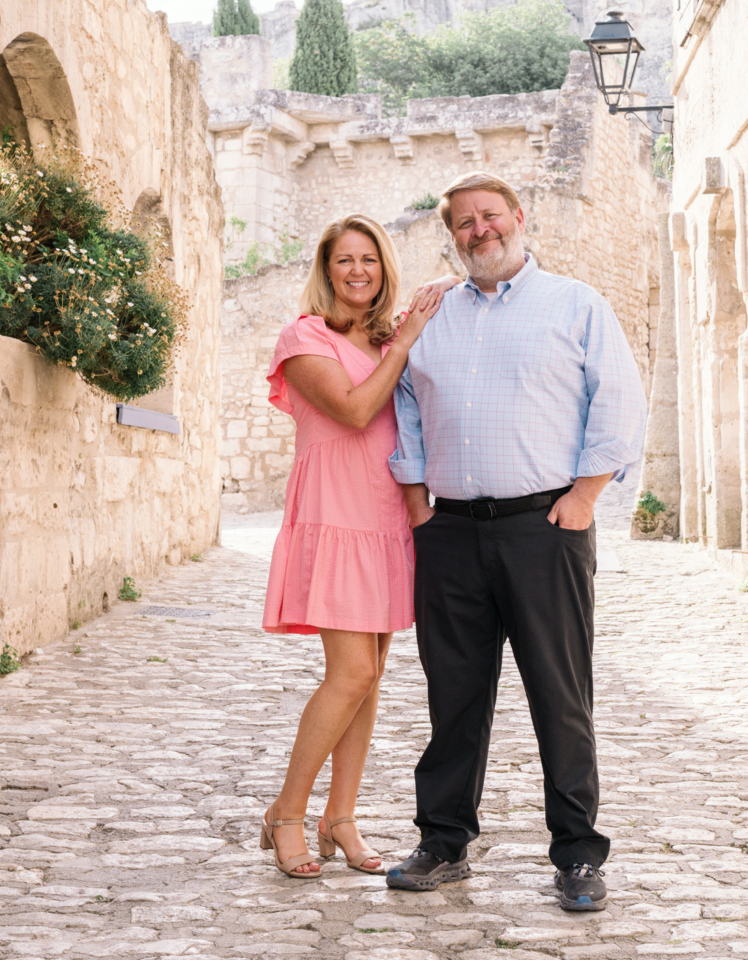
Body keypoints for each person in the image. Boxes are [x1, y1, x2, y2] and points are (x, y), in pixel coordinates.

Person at [386, 172, 647, 911]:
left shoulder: (575, 304)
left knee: (560, 696)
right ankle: (442, 843)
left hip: (547, 528)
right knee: (453, 696)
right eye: (464, 222)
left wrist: (587, 495)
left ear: (518, 218)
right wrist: (414, 499)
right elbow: (404, 404)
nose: (480, 231)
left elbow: (619, 399)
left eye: (490, 216)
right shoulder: (429, 314)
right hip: (451, 530)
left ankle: (577, 855)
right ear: (452, 234)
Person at [260, 213, 454, 879]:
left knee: (369, 681)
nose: (357, 271)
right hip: (335, 515)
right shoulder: (304, 337)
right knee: (351, 674)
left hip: (385, 520)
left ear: (383, 267)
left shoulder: (383, 337)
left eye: (368, 260)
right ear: (326, 268)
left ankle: (339, 817)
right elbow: (352, 410)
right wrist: (405, 342)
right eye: (345, 260)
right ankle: (286, 812)